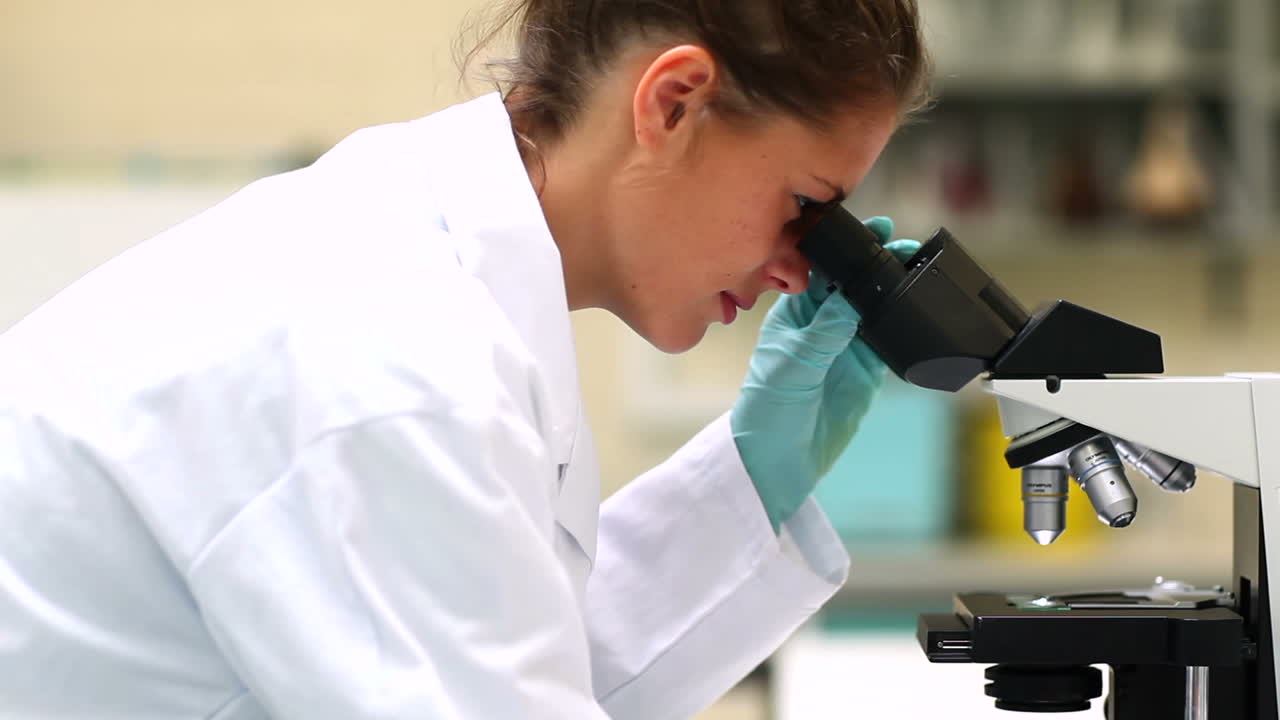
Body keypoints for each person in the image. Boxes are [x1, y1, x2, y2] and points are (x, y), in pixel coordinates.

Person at [0, 1, 930, 718]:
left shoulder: (427, 278)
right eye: (805, 205)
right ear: (673, 103)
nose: (798, 264)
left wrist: (747, 485)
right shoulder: (390, 347)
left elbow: (510, 658)